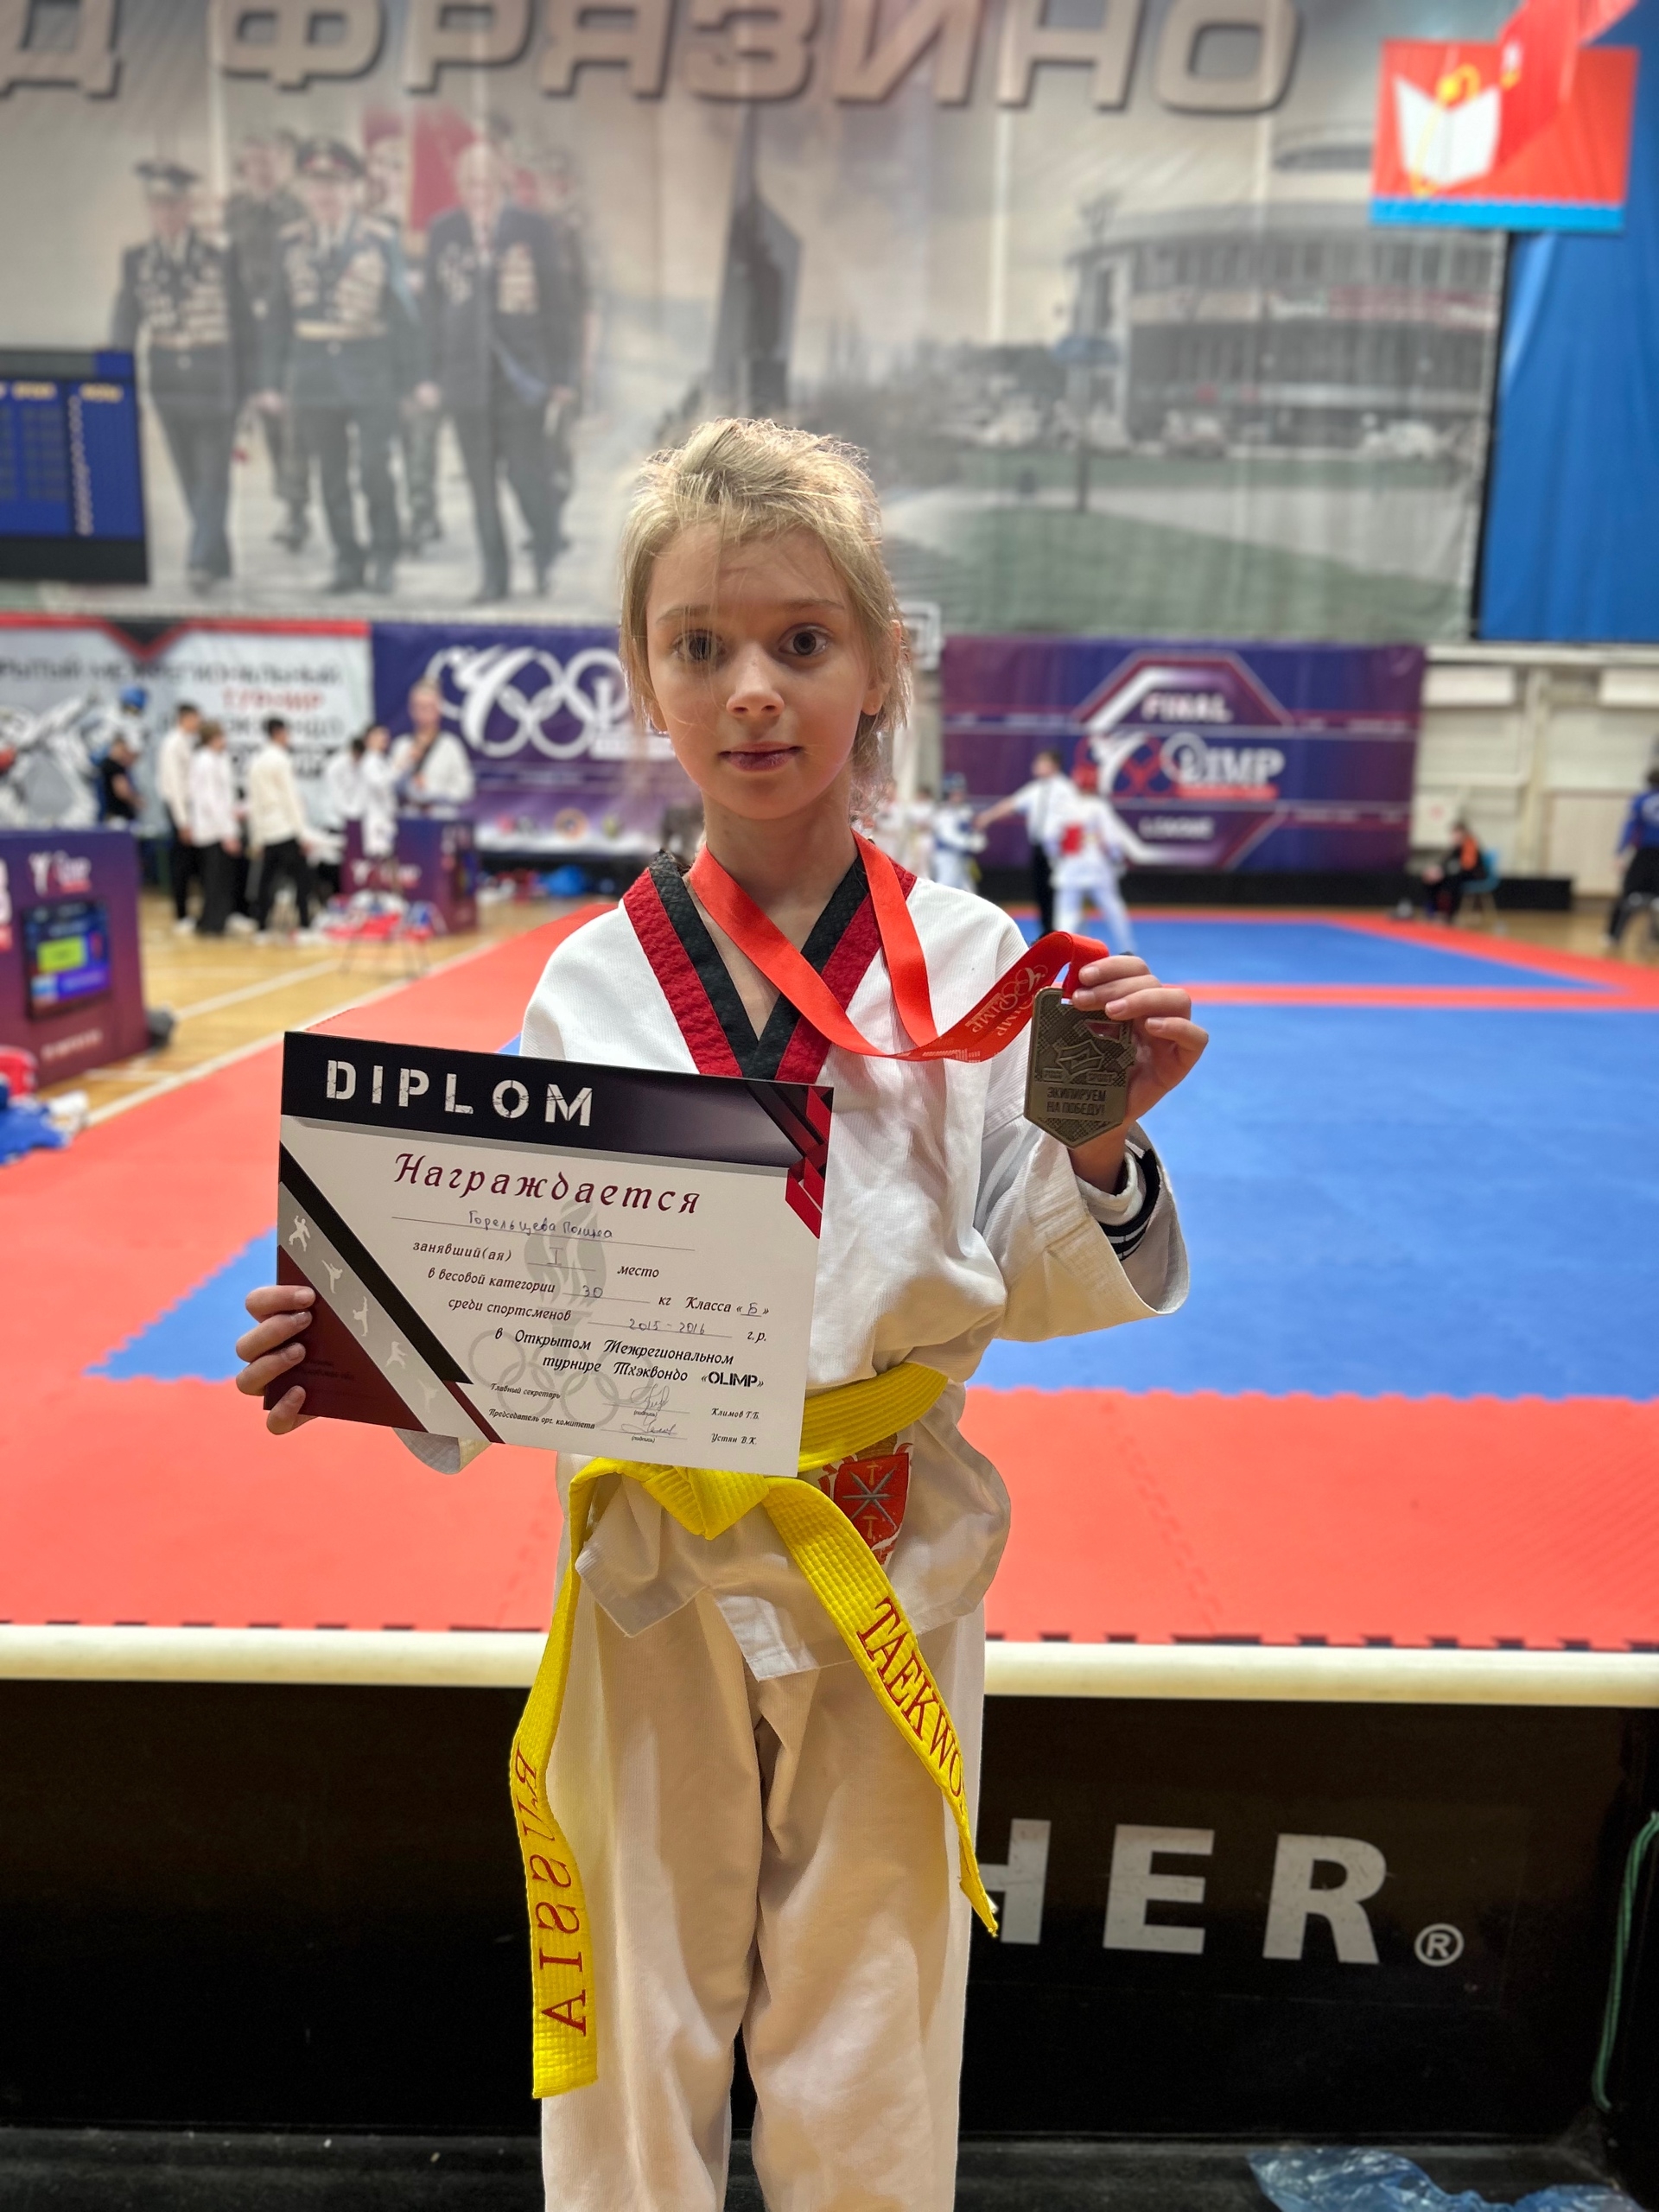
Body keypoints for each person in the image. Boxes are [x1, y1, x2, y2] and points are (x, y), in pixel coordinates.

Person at [232, 418, 1205, 2211]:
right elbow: (517, 1276)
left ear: (880, 665)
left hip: (887, 1550)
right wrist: (362, 1336)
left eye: (801, 640)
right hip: (652, 1557)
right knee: (632, 2002)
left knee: (876, 2008)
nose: (752, 689)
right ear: (645, 680)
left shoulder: (978, 968)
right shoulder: (592, 978)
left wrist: (1101, 1141)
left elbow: (1043, 1262)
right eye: (700, 645)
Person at [257, 137, 424, 596]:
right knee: (330, 476)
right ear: (305, 192)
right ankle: (347, 559)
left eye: (335, 186)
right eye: (316, 186)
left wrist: (414, 380)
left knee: (374, 470)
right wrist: (270, 382)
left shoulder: (379, 239)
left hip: (370, 372)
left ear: (353, 190)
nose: (325, 196)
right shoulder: (289, 242)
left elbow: (403, 312)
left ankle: (385, 555)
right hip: (314, 376)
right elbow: (277, 317)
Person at [418, 140, 576, 601]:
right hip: (466, 382)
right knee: (481, 487)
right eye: (470, 183)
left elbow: (558, 306)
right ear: (460, 186)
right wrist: (429, 375)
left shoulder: (533, 228)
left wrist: (562, 377)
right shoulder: (444, 230)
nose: (479, 192)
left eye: (487, 182)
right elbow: (431, 309)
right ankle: (495, 577)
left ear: (502, 183)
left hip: (519, 380)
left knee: (528, 479)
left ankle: (545, 552)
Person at [111, 161, 255, 594]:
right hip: (168, 381)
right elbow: (126, 322)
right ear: (150, 210)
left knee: (213, 475)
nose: (167, 214)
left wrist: (249, 387)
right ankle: (218, 555)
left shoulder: (220, 255)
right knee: (189, 476)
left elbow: (244, 324)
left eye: (174, 205)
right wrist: (118, 381)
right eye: (158, 206)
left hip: (214, 381)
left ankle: (199, 561)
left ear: (189, 208)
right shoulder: (137, 260)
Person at [224, 130, 309, 550]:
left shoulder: (298, 210)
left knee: (290, 422)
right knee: (266, 423)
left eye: (271, 161)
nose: (263, 170)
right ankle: (289, 501)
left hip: (289, 330)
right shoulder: (234, 211)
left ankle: (296, 509)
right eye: (255, 162)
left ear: (284, 166)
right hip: (247, 334)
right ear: (244, 168)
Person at [976, 746, 1071, 933]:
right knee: (1041, 891)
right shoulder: (1036, 789)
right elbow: (1011, 804)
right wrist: (987, 817)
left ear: (1054, 765)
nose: (1036, 766)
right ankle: (1047, 932)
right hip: (1039, 848)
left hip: (1058, 850)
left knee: (1058, 893)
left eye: (1041, 762)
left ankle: (1062, 933)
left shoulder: (1066, 790)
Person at [1046, 763, 1135, 951]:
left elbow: (1049, 837)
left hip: (1070, 865)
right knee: (1113, 909)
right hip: (1097, 866)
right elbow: (1112, 840)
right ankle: (1128, 948)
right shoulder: (1099, 807)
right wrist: (1116, 859)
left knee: (1066, 914)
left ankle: (1060, 952)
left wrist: (1056, 857)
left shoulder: (1063, 807)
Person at [247, 715, 316, 940]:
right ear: (278, 733)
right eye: (286, 733)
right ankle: (304, 926)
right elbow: (290, 798)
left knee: (266, 880)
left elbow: (254, 803)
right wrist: (302, 833)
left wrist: (256, 837)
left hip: (267, 830)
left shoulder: (256, 761)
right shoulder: (281, 760)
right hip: (285, 828)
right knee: (301, 879)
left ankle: (261, 927)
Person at [188, 719, 240, 937]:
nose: (224, 741)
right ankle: (213, 922)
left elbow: (225, 797)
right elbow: (210, 800)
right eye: (220, 737)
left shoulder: (219, 760)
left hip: (220, 826)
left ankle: (217, 920)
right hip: (212, 830)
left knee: (220, 878)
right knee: (214, 879)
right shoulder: (205, 761)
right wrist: (226, 832)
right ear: (211, 739)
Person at [391, 678, 474, 812]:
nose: (423, 712)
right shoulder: (401, 745)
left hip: (441, 817)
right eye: (419, 707)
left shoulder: (451, 746)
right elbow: (388, 786)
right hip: (409, 816)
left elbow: (465, 789)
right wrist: (406, 763)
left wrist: (430, 791)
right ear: (411, 709)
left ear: (438, 709)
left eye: (428, 707)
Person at [156, 701, 202, 931]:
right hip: (178, 808)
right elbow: (175, 785)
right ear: (184, 718)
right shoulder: (172, 744)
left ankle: (192, 912)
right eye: (195, 718)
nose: (198, 723)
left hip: (190, 807)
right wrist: (182, 821)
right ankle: (181, 915)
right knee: (181, 863)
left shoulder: (189, 742)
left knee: (193, 861)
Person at [1607, 766, 1659, 949]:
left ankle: (1612, 935)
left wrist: (1620, 853)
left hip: (1644, 856)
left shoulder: (1641, 800)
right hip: (1649, 855)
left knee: (1628, 895)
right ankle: (1655, 938)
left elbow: (1630, 829)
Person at [1419, 819, 1484, 924]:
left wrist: (1444, 873)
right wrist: (1436, 871)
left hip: (1472, 874)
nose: (1455, 836)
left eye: (1457, 833)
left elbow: (1467, 865)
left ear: (1463, 833)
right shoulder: (1454, 847)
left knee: (1452, 881)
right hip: (1455, 873)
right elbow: (1445, 862)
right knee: (1429, 880)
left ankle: (1449, 915)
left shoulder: (1470, 844)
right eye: (1453, 833)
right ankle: (1433, 912)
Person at [930, 771, 985, 893]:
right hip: (947, 857)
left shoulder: (965, 810)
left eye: (960, 791)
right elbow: (948, 836)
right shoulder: (943, 812)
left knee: (969, 892)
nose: (958, 795)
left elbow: (973, 828)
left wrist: (978, 836)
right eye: (954, 792)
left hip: (963, 859)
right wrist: (970, 842)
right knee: (946, 890)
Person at [358, 722, 399, 861]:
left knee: (389, 857)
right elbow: (380, 785)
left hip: (387, 817)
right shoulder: (369, 761)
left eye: (385, 735)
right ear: (368, 740)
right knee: (378, 859)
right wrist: (398, 768)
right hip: (376, 819)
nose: (384, 738)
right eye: (379, 735)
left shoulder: (383, 760)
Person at [97, 733, 140, 827]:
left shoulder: (106, 765)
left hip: (112, 814)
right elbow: (122, 792)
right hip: (119, 816)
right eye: (123, 749)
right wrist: (137, 801)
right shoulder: (115, 767)